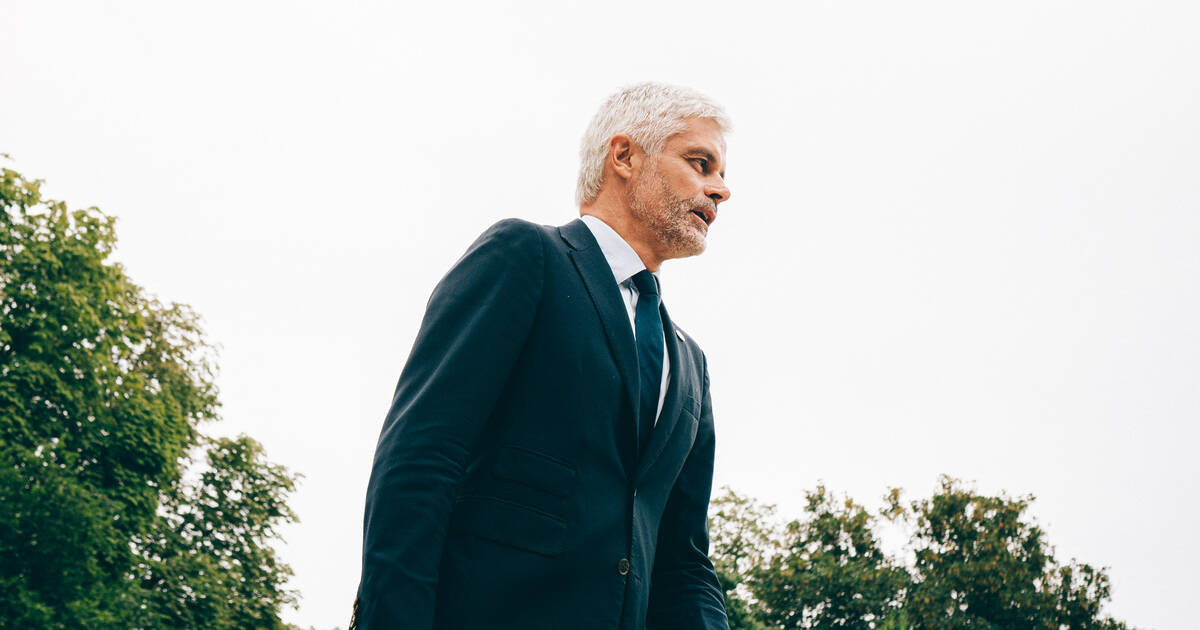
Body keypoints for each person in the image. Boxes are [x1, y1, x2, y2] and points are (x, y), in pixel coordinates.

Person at [352, 82, 733, 630]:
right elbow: (421, 459)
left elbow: (684, 562)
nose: (720, 189)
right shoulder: (527, 257)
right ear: (624, 156)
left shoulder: (691, 366)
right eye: (701, 163)